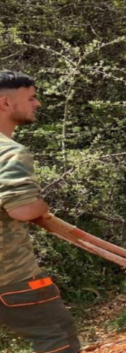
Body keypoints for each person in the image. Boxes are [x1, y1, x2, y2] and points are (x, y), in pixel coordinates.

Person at [0, 71, 81, 353]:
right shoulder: (9, 152)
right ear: (5, 104)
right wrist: (40, 206)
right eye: (31, 98)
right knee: (57, 337)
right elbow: (22, 210)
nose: (38, 104)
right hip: (11, 278)